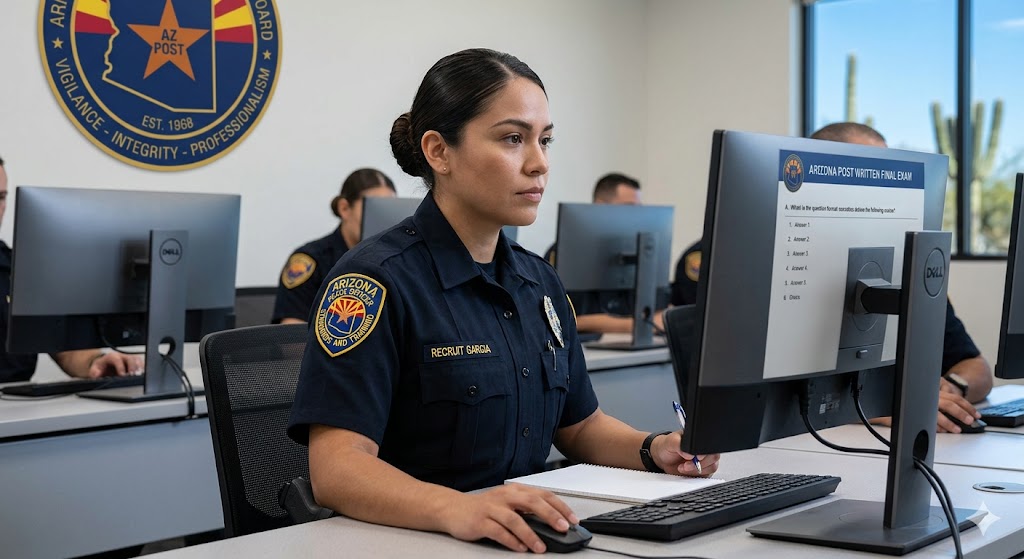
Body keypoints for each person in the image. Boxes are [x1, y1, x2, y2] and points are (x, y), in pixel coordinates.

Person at [287, 48, 719, 554]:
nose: (539, 163)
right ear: (438, 152)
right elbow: (337, 469)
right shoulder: (373, 282)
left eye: (545, 140)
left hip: (520, 535)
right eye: (513, 139)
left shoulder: (540, 284)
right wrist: (457, 507)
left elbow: (580, 425)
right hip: (416, 539)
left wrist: (654, 448)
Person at [671, 122, 994, 434]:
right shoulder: (743, 260)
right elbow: (740, 386)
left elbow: (976, 367)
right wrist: (875, 407)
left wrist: (951, 390)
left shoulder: (901, 269)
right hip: (789, 446)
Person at [0, 155, 142, 383]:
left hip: (13, 412)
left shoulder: (18, 270)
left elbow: (60, 346)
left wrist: (95, 363)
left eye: (1, 197)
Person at [272, 168, 397, 324]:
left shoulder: (397, 262)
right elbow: (291, 340)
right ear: (344, 208)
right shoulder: (310, 260)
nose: (379, 220)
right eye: (372, 210)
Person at [545, 173, 663, 335]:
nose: (636, 217)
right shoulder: (567, 252)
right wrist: (639, 324)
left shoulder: (636, 254)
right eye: (629, 208)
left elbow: (657, 312)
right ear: (600, 206)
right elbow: (572, 318)